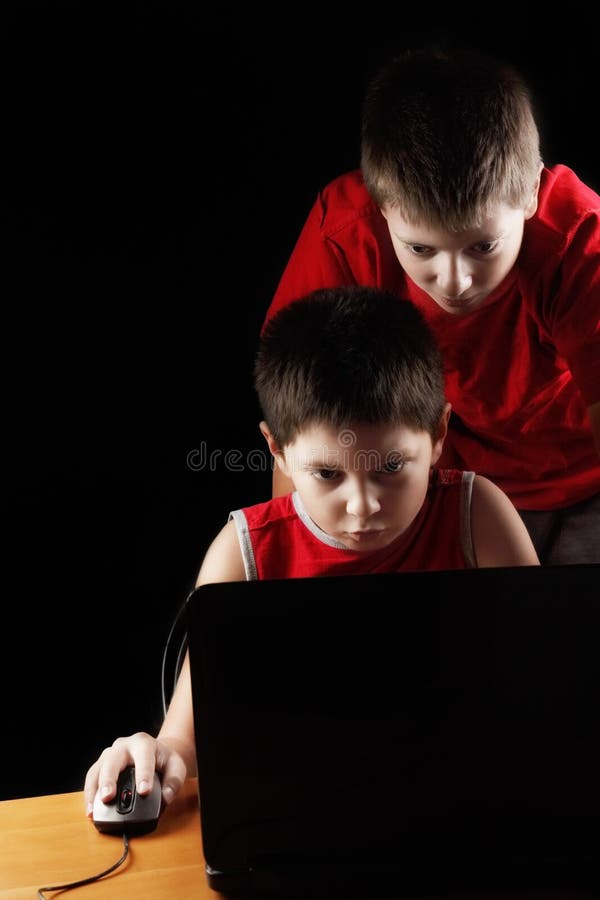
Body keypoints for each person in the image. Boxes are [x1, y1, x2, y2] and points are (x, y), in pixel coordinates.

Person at [84, 285, 539, 816]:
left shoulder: (476, 515)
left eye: (392, 467)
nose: (363, 506)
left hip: (468, 802)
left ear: (438, 433)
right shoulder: (244, 553)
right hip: (301, 812)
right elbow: (186, 740)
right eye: (327, 473)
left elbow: (541, 686)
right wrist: (153, 754)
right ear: (277, 449)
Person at [265, 46, 600, 565]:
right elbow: (305, 419)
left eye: (482, 246)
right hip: (446, 488)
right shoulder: (347, 238)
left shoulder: (579, 241)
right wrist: (296, 573)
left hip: (586, 480)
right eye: (420, 249)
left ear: (530, 193)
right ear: (382, 208)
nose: (455, 281)